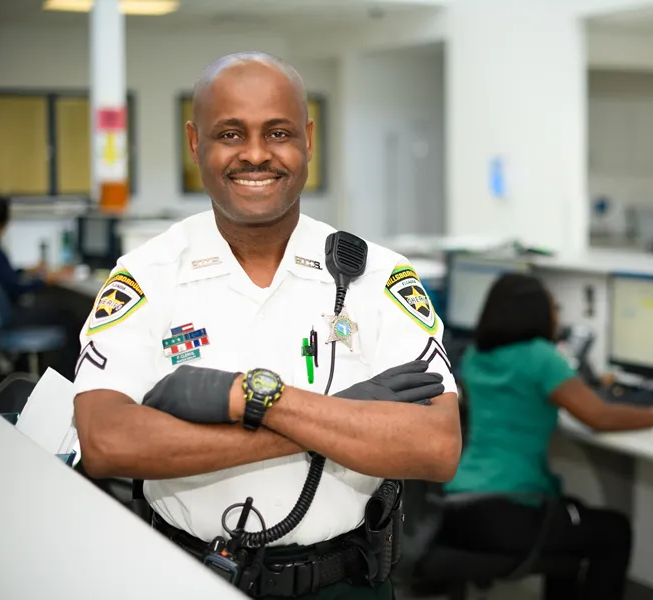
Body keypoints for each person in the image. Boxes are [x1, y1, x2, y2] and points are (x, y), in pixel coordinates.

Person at [72, 52, 461, 600]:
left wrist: (253, 399)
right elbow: (105, 440)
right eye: (230, 134)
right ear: (194, 142)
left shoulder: (377, 275)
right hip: (185, 577)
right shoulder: (148, 273)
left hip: (344, 582)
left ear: (307, 137)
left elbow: (435, 447)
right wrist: (343, 414)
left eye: (277, 132)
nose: (255, 155)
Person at [440, 273, 653, 600]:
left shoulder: (474, 356)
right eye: (554, 307)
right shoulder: (541, 357)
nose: (558, 314)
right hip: (509, 511)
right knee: (614, 531)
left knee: (570, 517)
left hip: (458, 506)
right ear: (536, 314)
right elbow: (599, 416)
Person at [0, 196, 72, 302]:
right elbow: (13, 287)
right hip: (11, 309)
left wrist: (29, 270)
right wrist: (44, 281)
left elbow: (5, 275)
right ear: (6, 219)